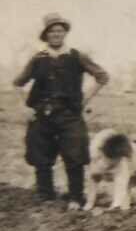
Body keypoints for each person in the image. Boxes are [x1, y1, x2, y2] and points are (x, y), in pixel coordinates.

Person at [12, 13, 110, 208]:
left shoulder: (76, 56)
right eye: (52, 31)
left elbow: (102, 77)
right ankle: (45, 196)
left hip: (69, 114)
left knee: (75, 155)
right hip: (41, 114)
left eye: (60, 31)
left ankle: (75, 197)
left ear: (65, 33)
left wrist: (85, 99)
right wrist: (26, 107)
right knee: (41, 155)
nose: (56, 34)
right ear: (46, 35)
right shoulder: (38, 59)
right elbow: (17, 84)